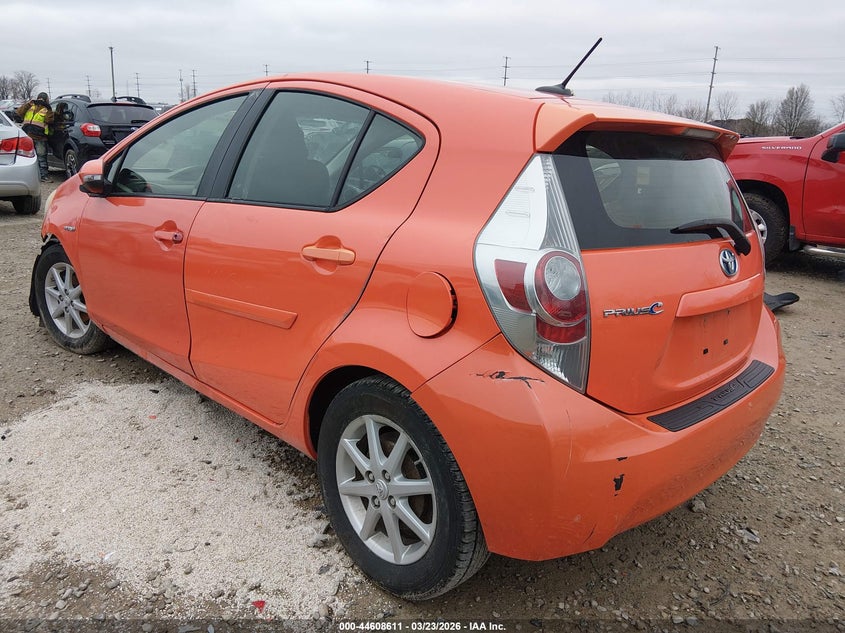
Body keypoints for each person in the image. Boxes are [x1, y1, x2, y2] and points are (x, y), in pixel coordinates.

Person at [17, 92, 54, 181]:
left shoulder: (46, 109)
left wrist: (48, 108)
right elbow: (19, 113)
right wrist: (28, 104)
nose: (40, 101)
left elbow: (49, 120)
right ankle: (30, 177)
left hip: (40, 137)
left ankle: (43, 176)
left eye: (42, 100)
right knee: (27, 157)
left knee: (41, 157)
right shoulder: (30, 107)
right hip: (28, 136)